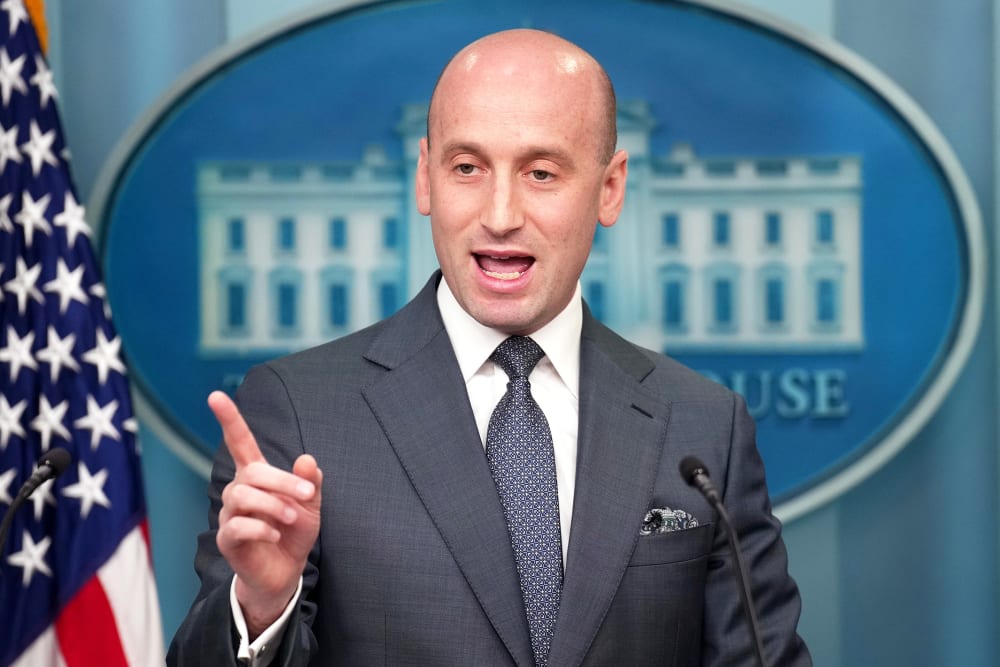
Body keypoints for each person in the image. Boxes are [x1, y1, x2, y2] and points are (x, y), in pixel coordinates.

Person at [168, 28, 811, 666]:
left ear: (610, 188)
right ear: (425, 178)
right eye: (467, 168)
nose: (500, 215)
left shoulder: (706, 426)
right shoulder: (298, 411)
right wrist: (262, 607)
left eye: (541, 172)